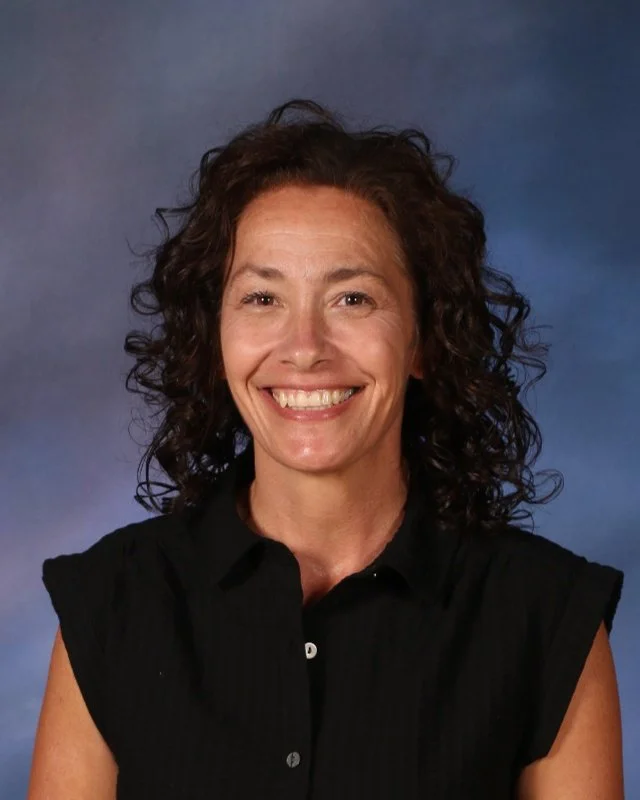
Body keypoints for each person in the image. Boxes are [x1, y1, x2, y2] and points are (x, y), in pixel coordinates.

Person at [29, 99, 624, 799]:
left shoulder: (547, 618)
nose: (305, 348)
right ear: (213, 339)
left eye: (352, 300)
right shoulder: (112, 606)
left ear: (425, 340)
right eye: (261, 299)